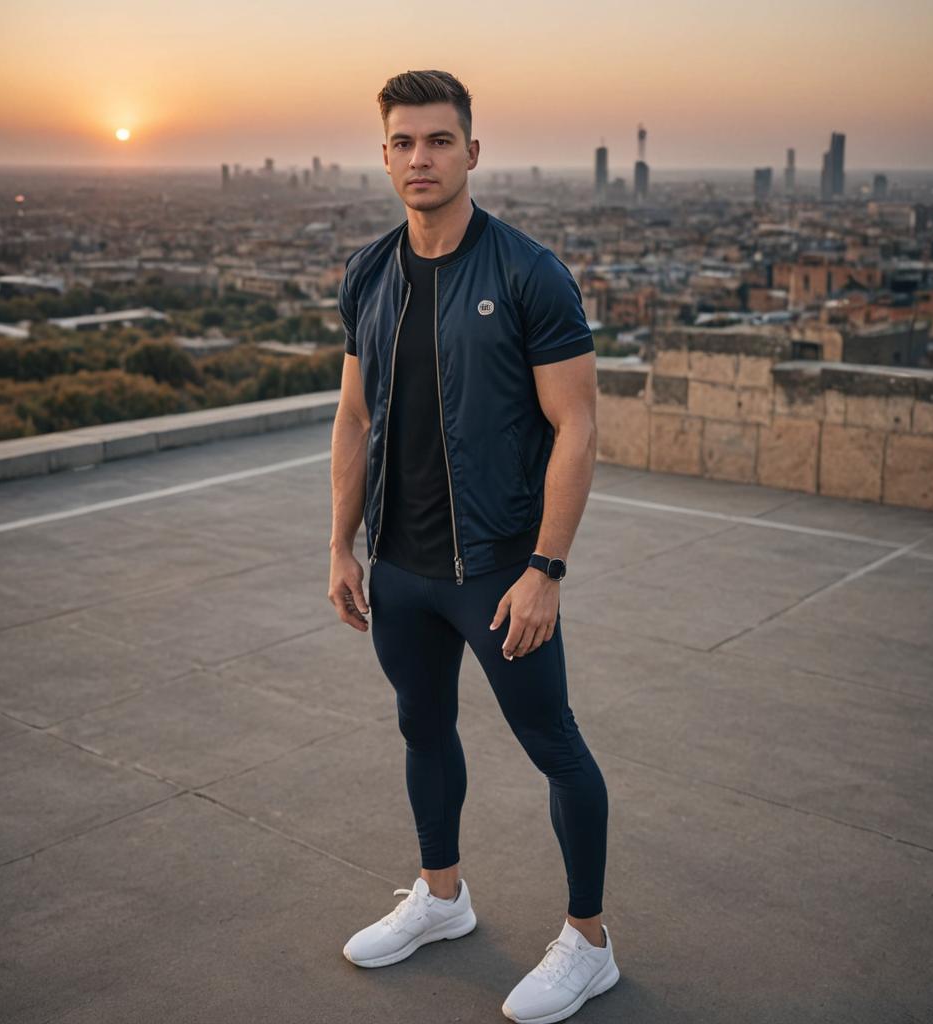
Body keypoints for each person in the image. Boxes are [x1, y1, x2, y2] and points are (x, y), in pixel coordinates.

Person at [327, 68, 617, 1023]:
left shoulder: (528, 272)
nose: (421, 158)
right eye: (404, 143)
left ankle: (589, 944)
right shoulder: (369, 271)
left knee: (555, 748)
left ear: (472, 152)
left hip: (499, 567)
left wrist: (547, 568)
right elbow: (356, 416)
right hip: (402, 566)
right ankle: (441, 898)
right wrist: (340, 545)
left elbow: (576, 426)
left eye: (439, 140)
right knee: (423, 724)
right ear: (385, 156)